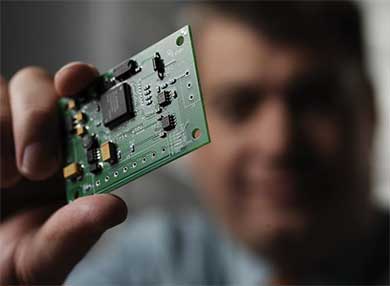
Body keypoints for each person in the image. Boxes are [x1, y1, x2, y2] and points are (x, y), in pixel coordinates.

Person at [0, 1, 388, 285]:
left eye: (314, 101)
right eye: (238, 106)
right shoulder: (147, 265)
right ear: (185, 121)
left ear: (370, 111)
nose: (279, 144)